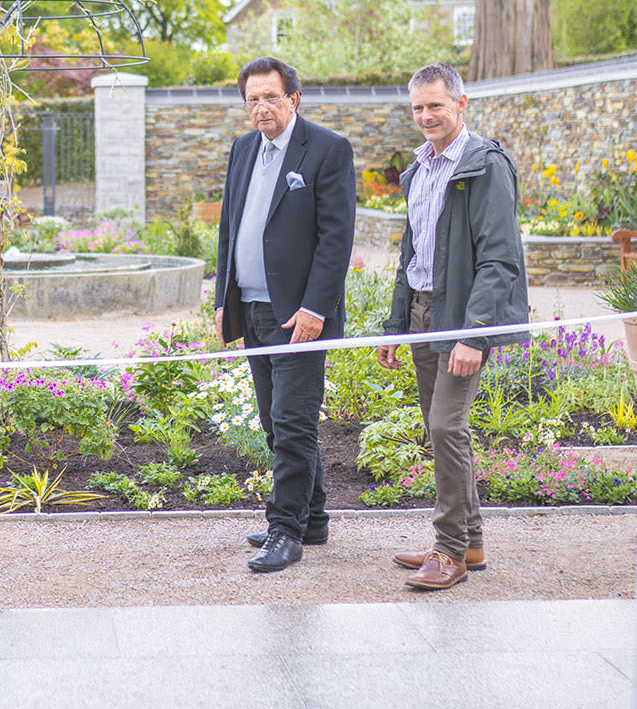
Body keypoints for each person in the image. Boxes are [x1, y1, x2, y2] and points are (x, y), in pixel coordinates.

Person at [376, 63, 528, 591]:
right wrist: (397, 324)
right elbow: (411, 255)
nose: (425, 116)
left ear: (462, 104)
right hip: (421, 313)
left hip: (462, 316)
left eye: (436, 105)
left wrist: (474, 333)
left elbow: (500, 259)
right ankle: (473, 540)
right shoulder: (418, 169)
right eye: (418, 107)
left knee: (445, 425)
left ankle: (449, 552)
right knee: (443, 432)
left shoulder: (485, 164)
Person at [214, 57, 356, 573]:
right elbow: (229, 227)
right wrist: (221, 299)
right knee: (276, 423)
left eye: (271, 97)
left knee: (292, 422)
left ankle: (286, 529)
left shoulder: (328, 149)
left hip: (299, 315)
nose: (261, 107)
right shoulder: (243, 148)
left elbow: (336, 239)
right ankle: (313, 517)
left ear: (294, 99)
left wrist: (316, 307)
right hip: (251, 308)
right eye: (252, 98)